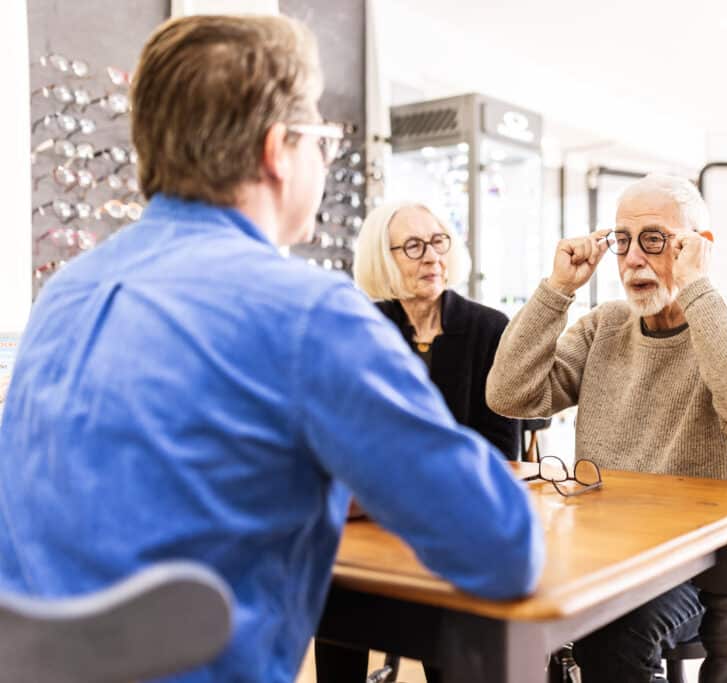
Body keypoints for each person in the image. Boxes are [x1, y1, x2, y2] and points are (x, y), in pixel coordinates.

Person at [0, 15, 543, 683]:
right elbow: (503, 546)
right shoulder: (310, 313)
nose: (326, 159)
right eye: (322, 140)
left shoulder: (65, 294)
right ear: (277, 149)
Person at [486, 174, 727, 683]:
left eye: (653, 240)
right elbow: (510, 394)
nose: (631, 259)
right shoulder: (602, 326)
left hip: (713, 559)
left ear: (698, 247)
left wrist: (696, 288)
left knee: (615, 632)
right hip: (610, 546)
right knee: (507, 596)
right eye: (622, 241)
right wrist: (557, 290)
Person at [353, 201, 519, 459]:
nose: (432, 257)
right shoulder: (368, 327)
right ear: (383, 259)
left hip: (466, 479)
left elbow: (502, 448)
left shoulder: (490, 328)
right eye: (413, 246)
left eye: (437, 241)